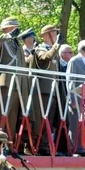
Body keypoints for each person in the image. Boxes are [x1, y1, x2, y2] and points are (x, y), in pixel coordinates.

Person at [26, 25, 61, 155]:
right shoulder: (40, 48)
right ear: (47, 35)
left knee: (50, 120)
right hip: (43, 90)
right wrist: (56, 46)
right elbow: (46, 57)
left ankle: (46, 145)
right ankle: (38, 145)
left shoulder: (53, 50)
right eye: (53, 33)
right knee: (42, 118)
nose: (56, 35)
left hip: (53, 90)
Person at [0, 17, 24, 142]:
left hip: (17, 83)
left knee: (12, 116)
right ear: (7, 28)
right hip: (5, 81)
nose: (17, 29)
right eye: (14, 27)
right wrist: (7, 35)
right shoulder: (2, 40)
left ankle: (9, 142)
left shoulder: (16, 43)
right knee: (3, 113)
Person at [66, 40, 85, 156]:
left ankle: (83, 147)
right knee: (74, 125)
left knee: (83, 125)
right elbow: (70, 80)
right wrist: (72, 99)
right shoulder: (74, 61)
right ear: (84, 49)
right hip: (77, 98)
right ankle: (75, 149)